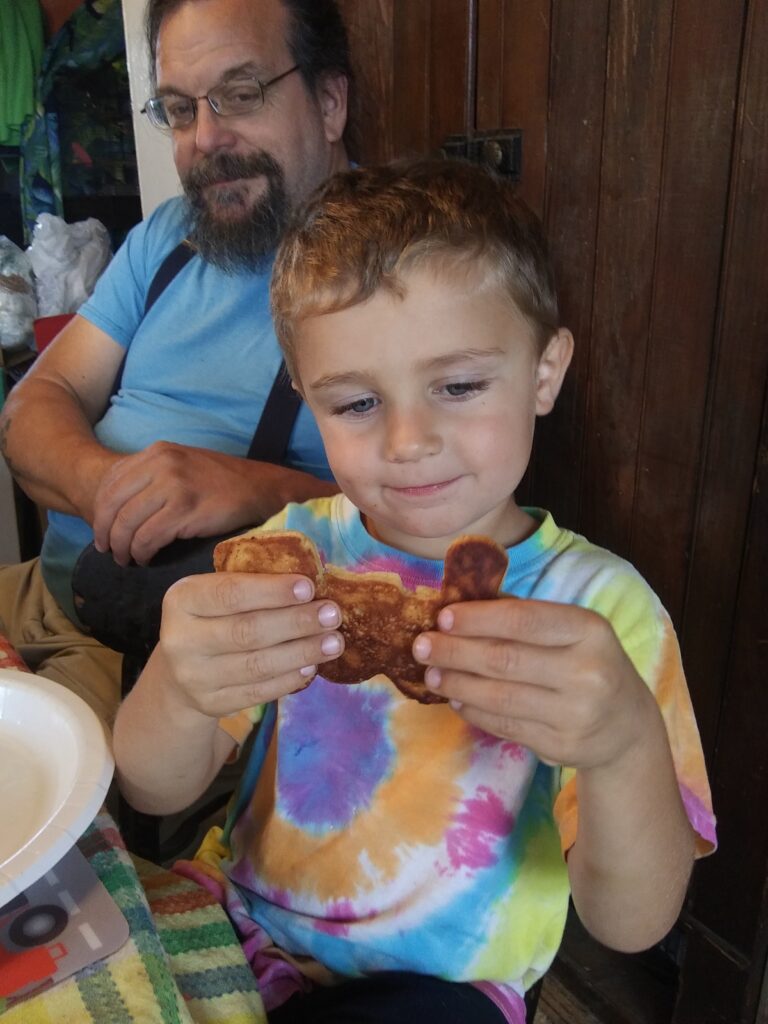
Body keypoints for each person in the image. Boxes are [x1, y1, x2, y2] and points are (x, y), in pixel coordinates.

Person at [112, 159, 716, 1024]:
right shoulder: (290, 557)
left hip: (446, 990)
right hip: (242, 928)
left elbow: (631, 923)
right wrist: (177, 682)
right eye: (356, 404)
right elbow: (153, 788)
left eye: (459, 386)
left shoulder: (601, 613)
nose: (406, 441)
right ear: (305, 395)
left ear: (544, 372)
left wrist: (622, 746)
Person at [0, 0, 351, 723]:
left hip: (166, 673)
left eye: (240, 95)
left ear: (329, 102)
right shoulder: (168, 237)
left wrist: (262, 489)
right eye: (181, 110)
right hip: (40, 593)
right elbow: (35, 405)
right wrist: (111, 492)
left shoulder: (394, 267)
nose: (205, 139)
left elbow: (441, 527)